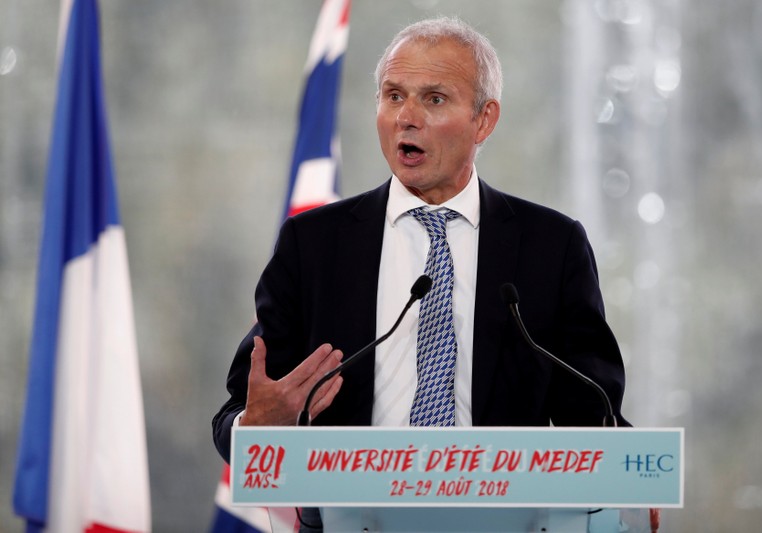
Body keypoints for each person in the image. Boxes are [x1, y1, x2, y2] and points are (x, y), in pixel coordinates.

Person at [212, 15, 628, 520]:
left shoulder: (551, 245)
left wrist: (629, 480)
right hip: (354, 524)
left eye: (434, 99)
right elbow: (240, 414)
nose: (406, 117)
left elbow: (596, 412)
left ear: (484, 120)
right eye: (393, 96)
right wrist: (255, 431)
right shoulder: (315, 244)